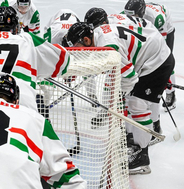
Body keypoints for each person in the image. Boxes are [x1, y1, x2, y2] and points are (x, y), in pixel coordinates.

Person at [66, 17, 174, 175]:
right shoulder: (98, 38)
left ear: (87, 39)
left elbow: (129, 76)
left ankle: (142, 158)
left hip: (157, 61)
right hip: (147, 57)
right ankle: (135, 142)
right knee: (131, 102)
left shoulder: (108, 46)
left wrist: (120, 95)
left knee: (137, 104)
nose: (79, 50)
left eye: (78, 46)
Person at [124, 0, 177, 110]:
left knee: (165, 57)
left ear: (141, 13)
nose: (130, 18)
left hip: (164, 30)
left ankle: (171, 92)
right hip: (145, 27)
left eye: (133, 16)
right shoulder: (126, 14)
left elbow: (160, 45)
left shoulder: (156, 18)